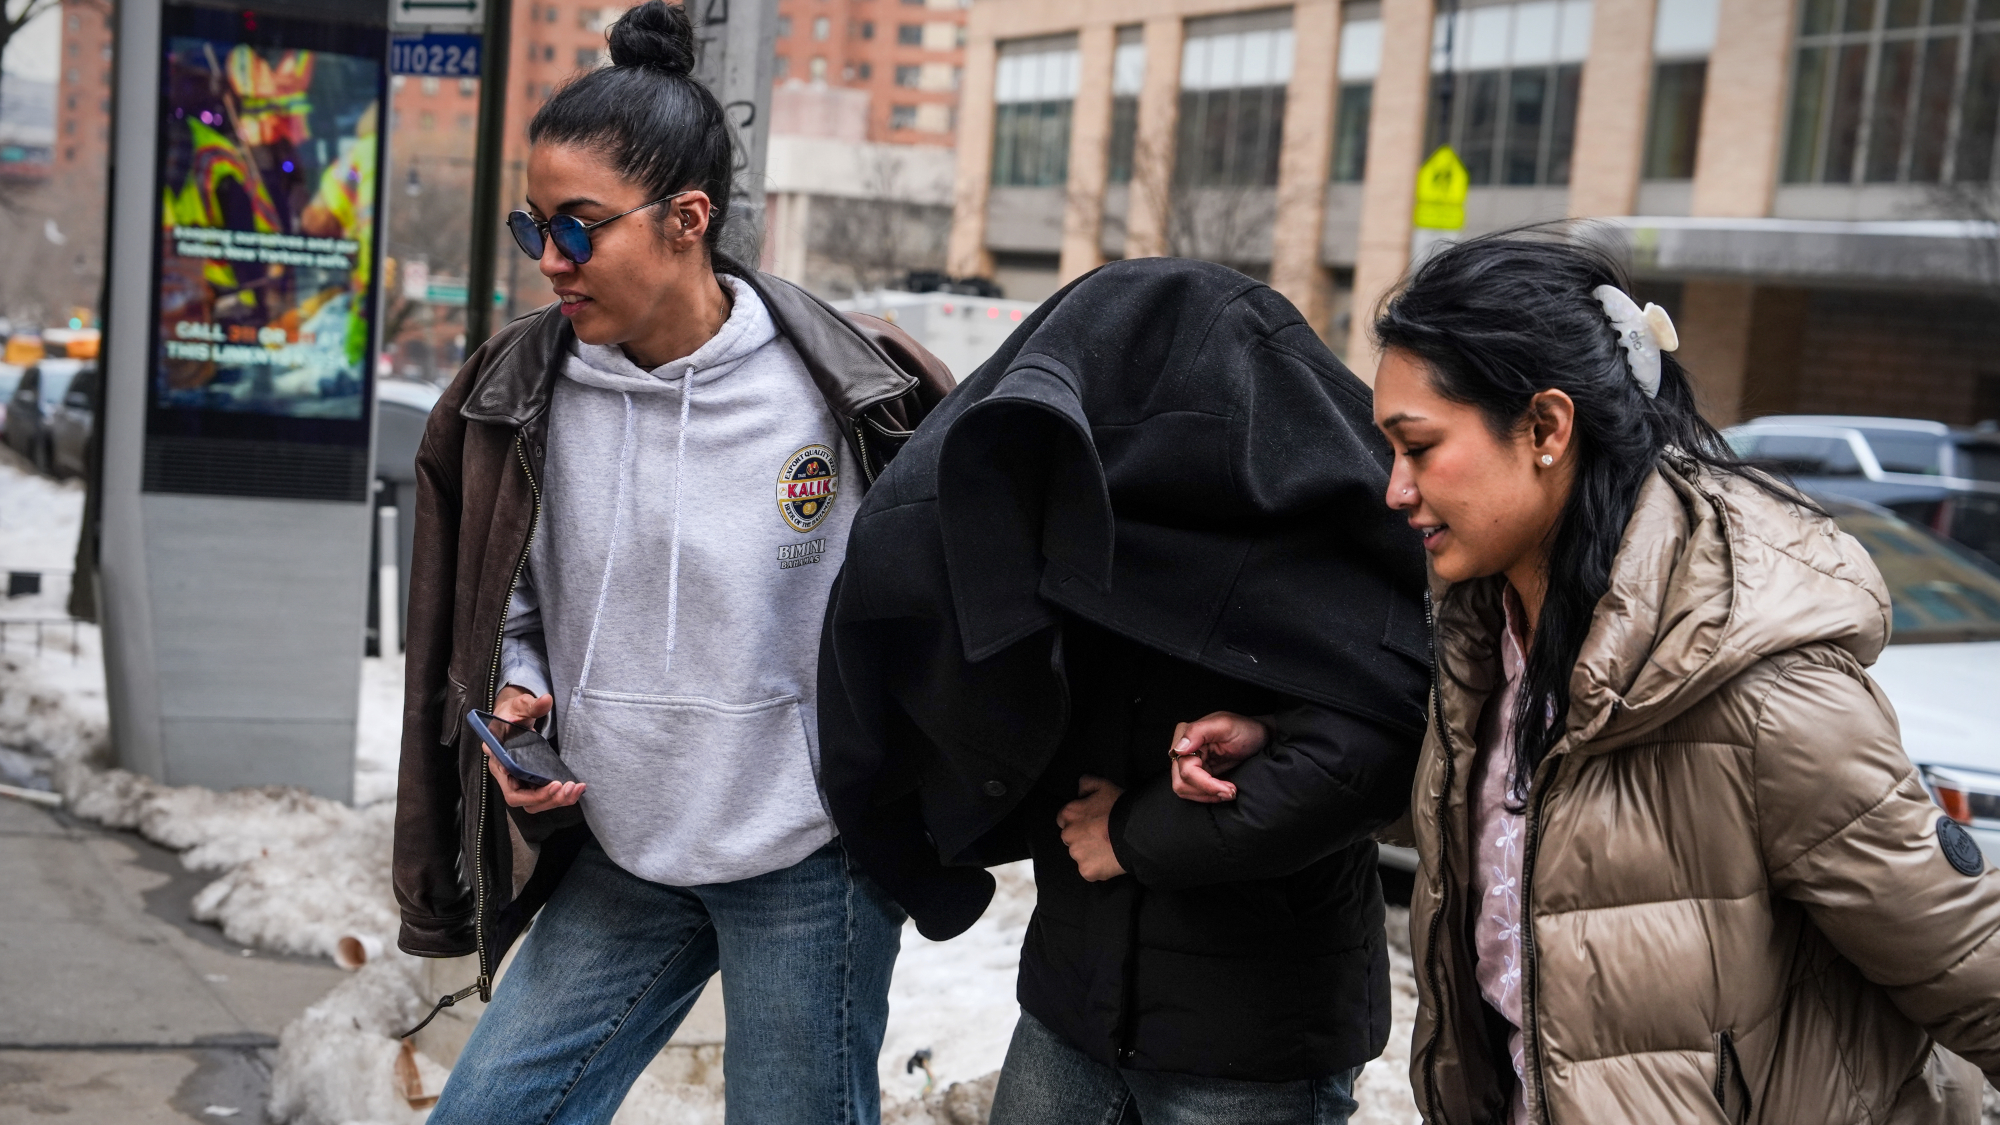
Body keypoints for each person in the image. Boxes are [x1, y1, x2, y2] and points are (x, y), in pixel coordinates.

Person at [389, 5, 951, 1123]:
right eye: (533, 226)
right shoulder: (518, 390)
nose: (550, 260)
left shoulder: (847, 388)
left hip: (808, 857)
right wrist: (519, 687)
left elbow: (944, 602)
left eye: (581, 228)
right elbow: (502, 598)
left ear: (688, 218)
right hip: (623, 845)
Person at [1361, 232, 2000, 1122]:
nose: (1394, 487)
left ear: (1546, 428)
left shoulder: (1760, 688)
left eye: (1418, 446)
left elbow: (1971, 959)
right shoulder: (1491, 636)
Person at [816, 258, 1434, 1125]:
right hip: (1072, 1006)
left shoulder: (1324, 542)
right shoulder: (1081, 523)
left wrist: (1134, 834)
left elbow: (1364, 753)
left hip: (1252, 1042)